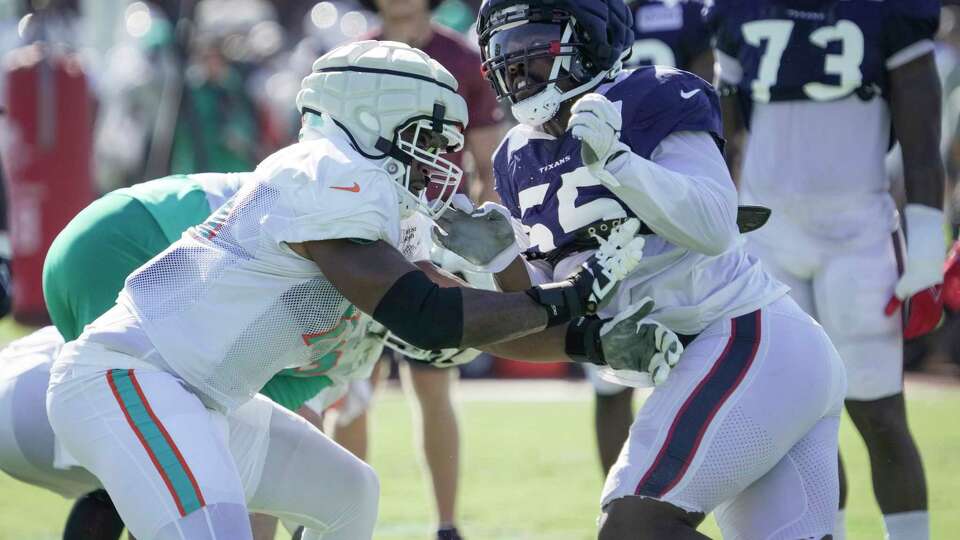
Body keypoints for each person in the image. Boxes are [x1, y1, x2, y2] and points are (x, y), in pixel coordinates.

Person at [44, 40, 643, 540]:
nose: (438, 160)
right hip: (130, 377)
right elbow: (428, 316)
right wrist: (567, 294)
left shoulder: (382, 204)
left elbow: (465, 317)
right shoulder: (324, 170)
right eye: (428, 139)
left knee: (349, 494)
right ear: (372, 114)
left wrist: (584, 333)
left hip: (203, 397)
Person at [429, 1, 849, 538]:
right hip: (728, 362)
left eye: (531, 41)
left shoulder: (652, 95)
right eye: (504, 49)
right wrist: (498, 262)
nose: (515, 63)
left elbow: (716, 225)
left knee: (634, 525)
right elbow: (550, 311)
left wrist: (620, 163)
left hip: (742, 336)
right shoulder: (515, 155)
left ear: (590, 37)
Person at [706, 1, 945, 538]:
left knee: (879, 414)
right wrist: (713, 229)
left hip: (857, 237)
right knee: (797, 426)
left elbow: (923, 138)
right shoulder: (737, 11)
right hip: (768, 238)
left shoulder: (888, 12)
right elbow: (724, 136)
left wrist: (928, 237)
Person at [356, 3, 506, 538]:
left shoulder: (463, 60)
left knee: (433, 386)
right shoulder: (354, 56)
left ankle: (446, 526)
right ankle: (340, 523)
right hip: (361, 234)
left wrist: (471, 249)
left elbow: (486, 168)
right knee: (351, 385)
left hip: (436, 239)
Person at [585, 0, 716, 478]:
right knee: (607, 374)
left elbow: (711, 95)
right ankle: (615, 504)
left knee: (697, 367)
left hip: (672, 187)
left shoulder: (685, 14)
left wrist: (720, 183)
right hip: (601, 200)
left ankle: (672, 498)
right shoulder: (581, 14)